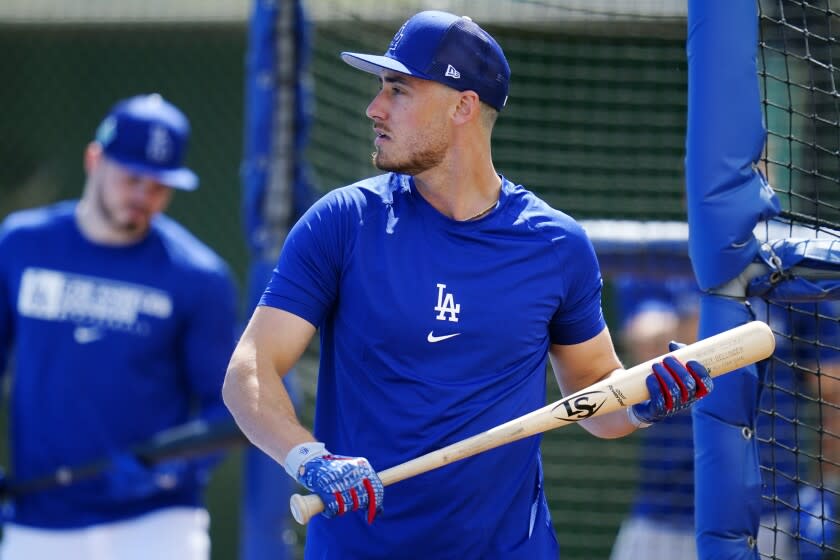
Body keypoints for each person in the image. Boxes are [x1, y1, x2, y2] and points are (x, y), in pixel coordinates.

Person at [222, 10, 714, 559]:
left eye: (399, 90)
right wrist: (307, 458)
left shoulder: (556, 246)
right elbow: (249, 372)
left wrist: (644, 401)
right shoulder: (342, 222)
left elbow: (594, 394)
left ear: (463, 105)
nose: (374, 108)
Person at [0, 93, 239, 560]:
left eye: (159, 186)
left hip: (156, 522)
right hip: (40, 519)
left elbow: (229, 407)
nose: (143, 197)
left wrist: (171, 470)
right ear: (95, 159)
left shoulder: (197, 276)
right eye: (132, 178)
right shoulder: (20, 245)